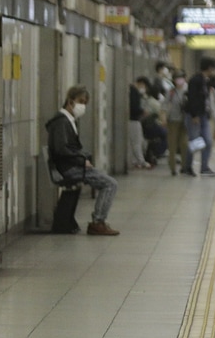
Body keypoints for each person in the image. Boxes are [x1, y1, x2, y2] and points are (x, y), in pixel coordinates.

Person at [45, 85, 120, 235]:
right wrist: (81, 161)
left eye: (85, 103)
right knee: (110, 184)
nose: (83, 106)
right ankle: (97, 222)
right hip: (69, 168)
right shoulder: (61, 122)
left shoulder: (68, 121)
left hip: (70, 166)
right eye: (80, 101)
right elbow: (61, 149)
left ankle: (97, 221)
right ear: (70, 101)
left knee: (108, 182)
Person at [183, 56, 215, 177]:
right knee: (194, 142)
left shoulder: (206, 81)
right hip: (194, 115)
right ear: (209, 68)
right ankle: (187, 167)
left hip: (203, 115)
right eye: (213, 68)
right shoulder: (195, 80)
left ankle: (204, 167)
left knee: (208, 141)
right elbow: (192, 98)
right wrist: (194, 115)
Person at [165, 70, 188, 175]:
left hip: (185, 119)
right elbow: (164, 104)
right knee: (172, 144)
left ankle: (184, 166)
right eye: (177, 78)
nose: (180, 80)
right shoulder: (171, 92)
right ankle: (173, 168)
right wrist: (163, 117)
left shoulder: (188, 90)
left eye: (181, 78)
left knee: (184, 144)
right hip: (173, 120)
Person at [128, 77, 152, 169]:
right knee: (137, 142)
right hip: (134, 120)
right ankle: (141, 161)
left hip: (132, 120)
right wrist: (142, 111)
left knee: (134, 142)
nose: (144, 89)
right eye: (144, 87)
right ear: (141, 83)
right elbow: (134, 107)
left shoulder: (132, 91)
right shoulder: (134, 92)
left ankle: (135, 161)